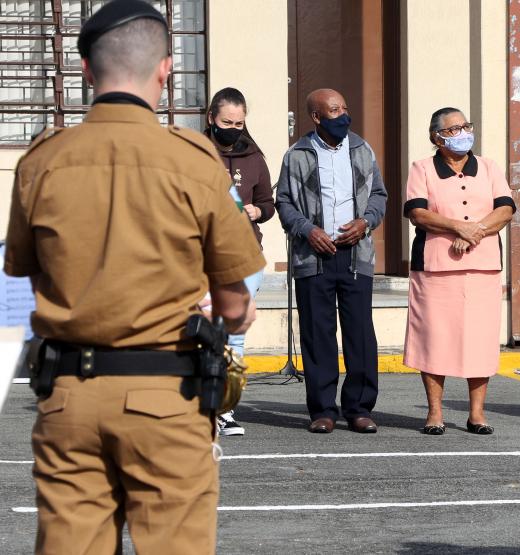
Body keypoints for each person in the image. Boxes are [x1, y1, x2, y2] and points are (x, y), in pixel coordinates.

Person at [3, 1, 264, 552]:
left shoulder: (43, 160)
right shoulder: (195, 161)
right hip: (166, 394)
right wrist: (232, 314)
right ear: (167, 69)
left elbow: (21, 273)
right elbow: (235, 302)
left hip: (70, 395)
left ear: (86, 71)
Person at [275, 88, 387, 434]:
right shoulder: (296, 155)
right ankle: (323, 410)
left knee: (360, 334)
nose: (343, 116)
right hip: (314, 256)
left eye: (345, 108)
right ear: (316, 117)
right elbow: (283, 202)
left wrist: (365, 222)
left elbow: (379, 196)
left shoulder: (362, 149)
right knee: (317, 333)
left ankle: (359, 408)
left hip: (355, 254)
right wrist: (308, 231)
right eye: (335, 111)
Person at [402, 107, 516, 435]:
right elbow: (418, 213)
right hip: (436, 268)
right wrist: (457, 227)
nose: (463, 132)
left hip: (482, 267)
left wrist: (475, 231)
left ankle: (476, 414)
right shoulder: (422, 168)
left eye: (465, 126)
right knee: (434, 338)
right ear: (436, 138)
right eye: (453, 129)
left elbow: (506, 208)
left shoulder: (490, 167)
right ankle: (435, 413)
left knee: (479, 339)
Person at [203, 86, 276, 437]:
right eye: (226, 122)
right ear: (211, 119)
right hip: (203, 258)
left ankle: (227, 409)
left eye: (239, 122)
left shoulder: (254, 157)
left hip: (245, 257)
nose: (233, 128)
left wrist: (258, 210)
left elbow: (269, 204)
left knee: (235, 337)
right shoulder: (195, 153)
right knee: (203, 333)